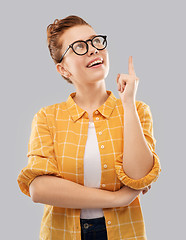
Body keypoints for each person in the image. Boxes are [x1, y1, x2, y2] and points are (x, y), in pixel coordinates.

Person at [17, 15, 161, 240]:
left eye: (96, 42)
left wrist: (128, 103)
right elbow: (39, 188)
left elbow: (140, 175)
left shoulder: (137, 110)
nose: (93, 50)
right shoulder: (47, 117)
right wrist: (119, 198)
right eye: (79, 47)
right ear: (63, 69)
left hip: (123, 233)